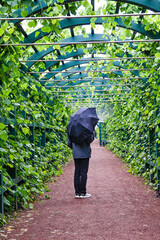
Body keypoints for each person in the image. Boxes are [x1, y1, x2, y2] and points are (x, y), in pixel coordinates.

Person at [67, 134, 94, 199]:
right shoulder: (86, 129)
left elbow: (69, 143)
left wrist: (75, 148)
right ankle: (83, 192)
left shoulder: (72, 129)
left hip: (76, 153)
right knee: (83, 172)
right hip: (85, 153)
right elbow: (90, 140)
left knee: (77, 172)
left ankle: (77, 193)